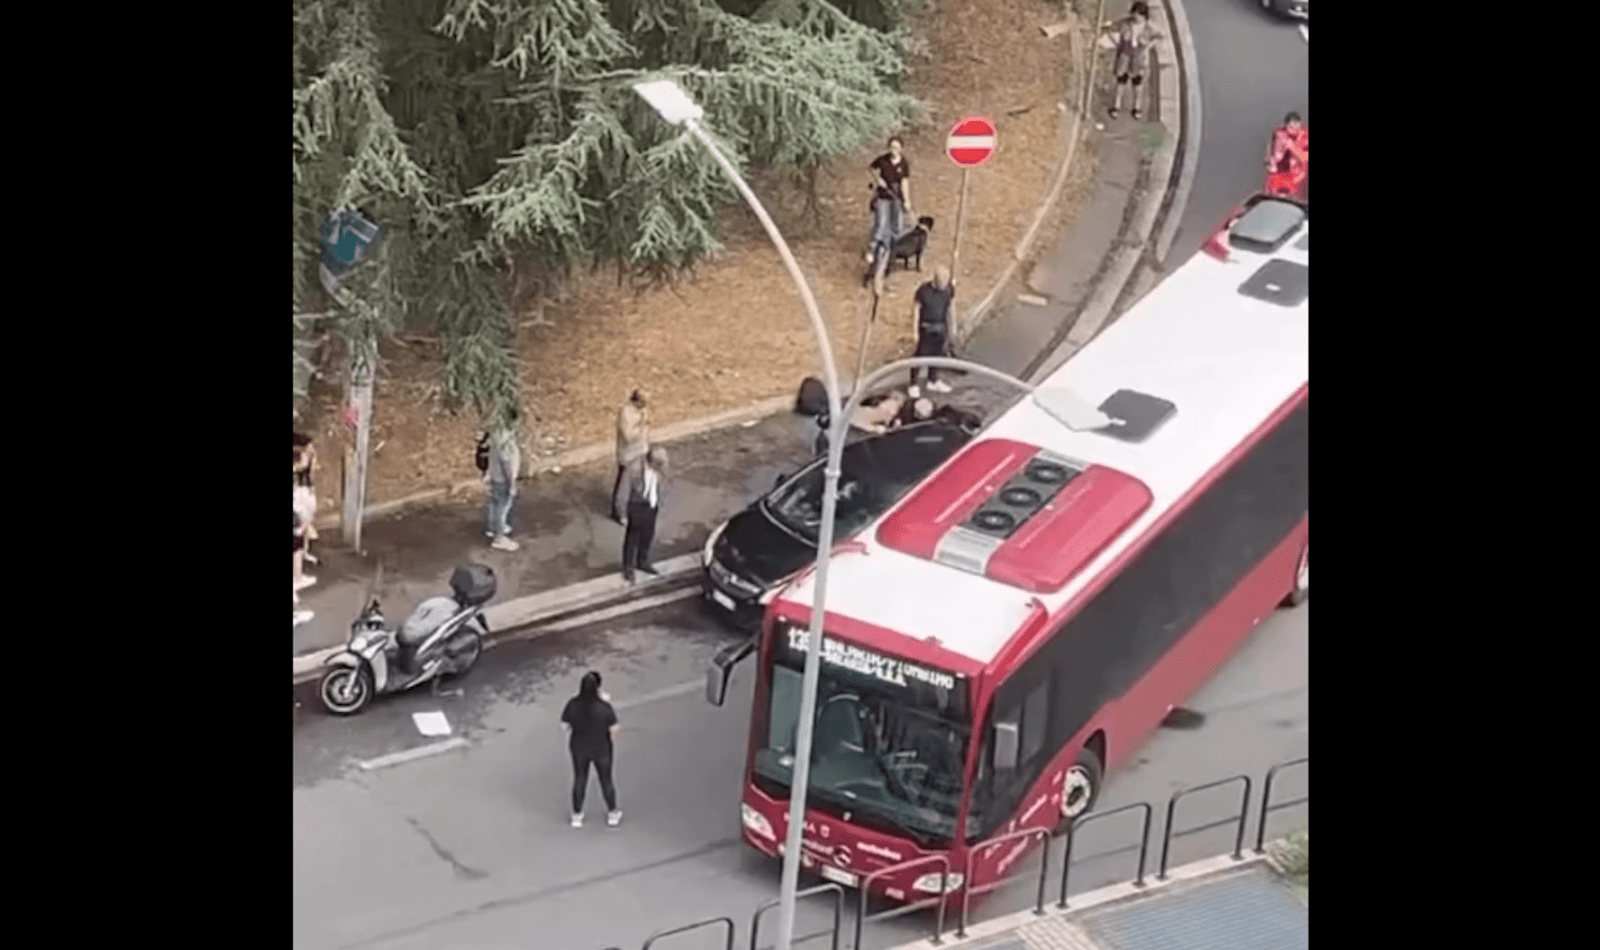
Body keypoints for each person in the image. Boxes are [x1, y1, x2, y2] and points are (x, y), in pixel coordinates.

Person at [561, 670, 622, 828]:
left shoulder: (572, 704)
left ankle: (577, 815)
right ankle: (612, 814)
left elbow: (564, 726)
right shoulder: (604, 707)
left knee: (580, 779)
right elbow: (615, 728)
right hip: (601, 747)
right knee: (606, 780)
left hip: (579, 747)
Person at [620, 446, 668, 583]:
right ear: (651, 462)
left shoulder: (659, 468)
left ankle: (642, 561)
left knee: (647, 535)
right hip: (636, 506)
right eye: (658, 466)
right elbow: (623, 492)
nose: (661, 469)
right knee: (632, 538)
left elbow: (661, 482)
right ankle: (628, 567)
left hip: (651, 505)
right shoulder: (634, 468)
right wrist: (622, 514)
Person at [1107, 2, 1159, 120]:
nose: (1136, 17)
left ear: (1144, 16)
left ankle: (1137, 107)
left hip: (1138, 57)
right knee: (1121, 80)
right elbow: (1110, 28)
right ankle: (1116, 106)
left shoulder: (1148, 27)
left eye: (1139, 15)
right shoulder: (1125, 23)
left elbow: (1158, 36)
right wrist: (1117, 44)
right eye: (1135, 14)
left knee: (1137, 83)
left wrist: (1147, 47)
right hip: (1124, 55)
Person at [911, 265, 956, 394]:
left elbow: (950, 308)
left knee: (937, 354)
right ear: (935, 280)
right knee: (920, 355)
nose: (944, 286)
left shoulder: (948, 290)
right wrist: (914, 331)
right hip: (925, 326)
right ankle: (913, 383)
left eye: (945, 283)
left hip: (941, 326)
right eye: (941, 283)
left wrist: (952, 327)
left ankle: (932, 380)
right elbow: (915, 311)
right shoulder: (923, 291)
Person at [485, 408, 522, 552]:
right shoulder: (505, 438)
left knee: (495, 505)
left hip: (495, 476)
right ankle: (499, 538)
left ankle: (493, 527)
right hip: (503, 479)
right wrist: (511, 483)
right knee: (503, 507)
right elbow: (506, 462)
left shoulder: (496, 433)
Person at [612, 390, 650, 524]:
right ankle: (619, 512)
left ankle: (633, 509)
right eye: (643, 402)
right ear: (636, 401)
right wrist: (641, 426)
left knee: (637, 484)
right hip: (629, 455)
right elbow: (628, 437)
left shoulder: (641, 411)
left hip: (640, 451)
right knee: (624, 486)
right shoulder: (626, 414)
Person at [1265, 112, 1308, 200]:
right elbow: (1274, 153)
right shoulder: (1280, 133)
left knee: (1290, 195)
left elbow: (1304, 158)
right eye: (1291, 126)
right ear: (1286, 125)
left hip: (1294, 176)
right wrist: (1270, 162)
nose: (1294, 129)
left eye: (1296, 125)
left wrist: (1292, 147)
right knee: (1273, 193)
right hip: (1277, 175)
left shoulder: (1304, 137)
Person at [293, 433, 318, 567]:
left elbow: (311, 473)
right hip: (301, 493)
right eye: (309, 446)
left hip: (305, 491)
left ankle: (303, 552)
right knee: (301, 525)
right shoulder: (302, 460)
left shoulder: (308, 457)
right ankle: (301, 552)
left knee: (305, 523)